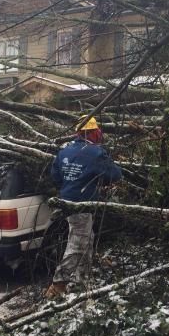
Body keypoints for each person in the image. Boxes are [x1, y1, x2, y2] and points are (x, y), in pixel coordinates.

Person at [45, 116, 122, 299]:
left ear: (78, 132)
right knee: (78, 241)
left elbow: (55, 176)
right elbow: (115, 175)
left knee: (86, 237)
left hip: (67, 201)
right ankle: (58, 284)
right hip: (82, 203)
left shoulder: (64, 151)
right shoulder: (95, 152)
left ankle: (82, 279)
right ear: (95, 132)